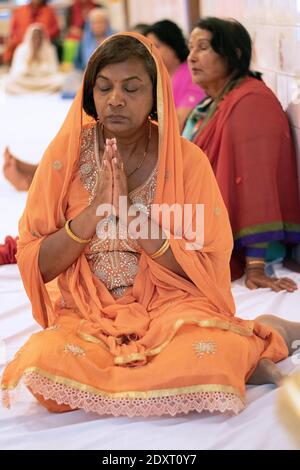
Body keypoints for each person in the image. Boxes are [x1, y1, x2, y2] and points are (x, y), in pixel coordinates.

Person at [1, 33, 299, 417]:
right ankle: (219, 359)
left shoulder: (185, 162)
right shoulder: (64, 161)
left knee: (209, 357)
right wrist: (94, 213)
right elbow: (36, 263)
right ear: (90, 94)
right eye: (104, 87)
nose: (115, 99)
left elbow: (205, 266)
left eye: (131, 88)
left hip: (171, 304)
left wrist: (132, 218)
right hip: (88, 311)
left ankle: (268, 332)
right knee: (46, 373)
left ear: (155, 94)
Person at [183, 17, 300, 292]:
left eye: (203, 47)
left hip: (245, 244)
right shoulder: (217, 100)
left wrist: (256, 266)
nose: (191, 57)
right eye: (190, 48)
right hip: (200, 221)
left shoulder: (251, 104)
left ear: (234, 54)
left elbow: (255, 183)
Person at [146, 20, 205, 131]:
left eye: (156, 46)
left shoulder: (192, 73)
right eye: (148, 48)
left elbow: (179, 122)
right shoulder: (155, 76)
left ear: (173, 45)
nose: (150, 53)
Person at [4, 24, 64, 95]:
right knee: (6, 81)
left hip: (44, 80)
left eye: (38, 37)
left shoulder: (50, 49)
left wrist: (41, 64)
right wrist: (29, 62)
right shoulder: (21, 49)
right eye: (34, 37)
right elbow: (15, 70)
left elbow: (54, 70)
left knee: (61, 80)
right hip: (26, 80)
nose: (36, 40)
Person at [2, 0, 60, 65]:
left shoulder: (49, 11)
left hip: (43, 44)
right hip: (22, 43)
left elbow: (55, 30)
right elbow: (13, 31)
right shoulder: (20, 11)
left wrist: (41, 39)